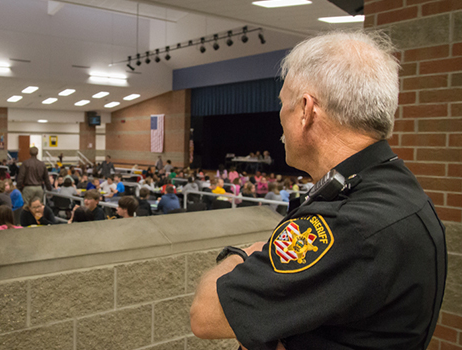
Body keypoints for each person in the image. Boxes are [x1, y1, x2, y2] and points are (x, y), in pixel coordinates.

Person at [189, 31, 446, 350]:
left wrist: (250, 252)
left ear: (306, 111)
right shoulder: (395, 187)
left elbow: (207, 312)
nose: (279, 119)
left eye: (283, 104)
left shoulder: (349, 224)